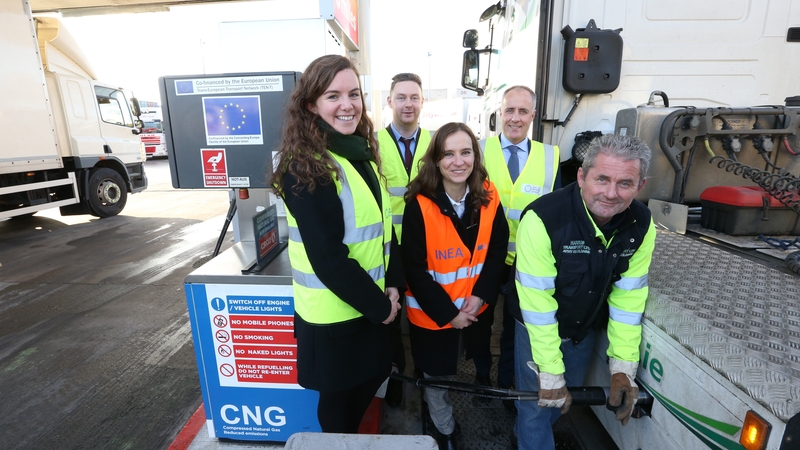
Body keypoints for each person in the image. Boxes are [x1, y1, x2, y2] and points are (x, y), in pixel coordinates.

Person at [271, 54, 403, 433]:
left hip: (369, 308)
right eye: (333, 96)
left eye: (354, 94)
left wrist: (392, 284)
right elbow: (329, 258)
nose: (347, 105)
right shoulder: (306, 165)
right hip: (335, 322)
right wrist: (382, 307)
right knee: (339, 414)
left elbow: (384, 229)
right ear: (311, 105)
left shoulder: (358, 152)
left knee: (362, 395)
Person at [511, 133, 656, 449]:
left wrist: (623, 368)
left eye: (625, 183)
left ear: (640, 185)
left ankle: (524, 432)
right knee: (537, 410)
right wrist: (549, 370)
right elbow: (537, 303)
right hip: (537, 326)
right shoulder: (543, 219)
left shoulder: (643, 224)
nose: (611, 193)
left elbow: (629, 300)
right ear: (581, 176)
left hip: (583, 331)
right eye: (602, 179)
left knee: (561, 402)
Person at [402, 122, 509, 450]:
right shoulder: (419, 204)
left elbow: (496, 251)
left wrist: (480, 296)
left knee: (472, 361)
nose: (458, 161)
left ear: (476, 157)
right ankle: (443, 428)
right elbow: (415, 270)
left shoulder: (489, 195)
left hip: (475, 308)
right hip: (435, 314)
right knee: (438, 378)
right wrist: (449, 314)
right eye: (448, 154)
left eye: (466, 152)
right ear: (435, 160)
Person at [478, 85, 562, 401]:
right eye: (509, 110)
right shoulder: (479, 151)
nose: (515, 118)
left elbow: (557, 213)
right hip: (486, 257)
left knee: (516, 327)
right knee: (481, 324)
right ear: (500, 113)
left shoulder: (549, 157)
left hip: (527, 262)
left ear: (533, 116)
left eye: (522, 111)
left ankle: (506, 384)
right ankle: (483, 378)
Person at [376, 73, 431, 407]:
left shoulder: (435, 142)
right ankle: (395, 376)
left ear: (422, 102)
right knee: (390, 317)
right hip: (386, 247)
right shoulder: (372, 142)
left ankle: (425, 376)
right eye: (401, 97)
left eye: (414, 97)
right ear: (390, 102)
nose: (408, 104)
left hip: (427, 245)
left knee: (425, 312)